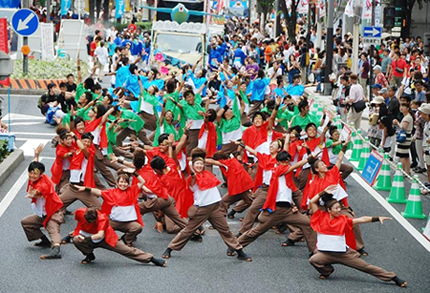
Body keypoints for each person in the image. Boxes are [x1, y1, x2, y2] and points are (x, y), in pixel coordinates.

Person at [161, 150, 252, 262]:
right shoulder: (192, 178)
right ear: (193, 166)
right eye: (197, 164)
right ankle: (170, 248)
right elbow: (192, 178)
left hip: (215, 207)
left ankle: (239, 251)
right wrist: (192, 171)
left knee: (225, 230)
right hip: (202, 209)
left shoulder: (207, 174)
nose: (199, 165)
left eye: (201, 163)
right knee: (188, 231)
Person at [307, 189, 407, 287]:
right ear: (329, 210)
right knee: (313, 260)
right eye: (336, 208)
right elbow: (312, 201)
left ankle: (393, 277)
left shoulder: (343, 220)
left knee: (366, 267)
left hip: (343, 254)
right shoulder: (320, 217)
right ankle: (327, 271)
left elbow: (361, 220)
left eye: (339, 208)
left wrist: (377, 218)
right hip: (325, 254)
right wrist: (323, 192)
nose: (339, 210)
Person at [236, 151, 317, 253]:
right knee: (256, 232)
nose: (285, 164)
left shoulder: (288, 178)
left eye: (287, 162)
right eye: (283, 162)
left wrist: (293, 205)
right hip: (275, 211)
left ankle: (314, 252)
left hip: (288, 211)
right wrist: (309, 159)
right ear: (278, 162)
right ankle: (235, 246)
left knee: (309, 224)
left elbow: (288, 193)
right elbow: (296, 165)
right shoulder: (278, 170)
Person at [72, 207, 166, 267]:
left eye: (92, 221)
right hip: (86, 235)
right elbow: (78, 224)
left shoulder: (102, 219)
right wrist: (78, 235)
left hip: (105, 238)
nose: (90, 223)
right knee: (76, 240)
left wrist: (85, 239)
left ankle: (151, 259)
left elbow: (100, 235)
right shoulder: (79, 212)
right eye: (88, 221)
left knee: (128, 250)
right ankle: (89, 255)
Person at [74, 169, 146, 247]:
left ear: (128, 184)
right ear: (117, 183)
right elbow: (99, 192)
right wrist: (86, 188)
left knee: (137, 227)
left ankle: (126, 240)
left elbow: (142, 182)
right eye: (121, 182)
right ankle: (73, 235)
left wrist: (134, 173)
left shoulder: (132, 190)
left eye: (125, 182)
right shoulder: (111, 192)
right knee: (97, 228)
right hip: (113, 221)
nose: (123, 184)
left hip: (128, 222)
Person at [21, 146, 64, 259]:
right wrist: (36, 156)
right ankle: (44, 241)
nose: (32, 176)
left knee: (53, 230)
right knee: (26, 223)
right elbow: (35, 167)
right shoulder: (38, 176)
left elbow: (40, 190)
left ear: (41, 174)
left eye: (35, 174)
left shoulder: (44, 183)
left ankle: (56, 250)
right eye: (30, 173)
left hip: (52, 213)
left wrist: (33, 194)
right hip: (41, 214)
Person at [394, 103, 414, 174]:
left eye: (403, 106)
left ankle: (402, 171)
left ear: (408, 108)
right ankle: (407, 171)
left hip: (404, 138)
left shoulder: (407, 117)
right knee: (405, 155)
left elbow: (403, 128)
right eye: (400, 106)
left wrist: (397, 123)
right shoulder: (407, 116)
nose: (401, 108)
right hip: (407, 137)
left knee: (402, 155)